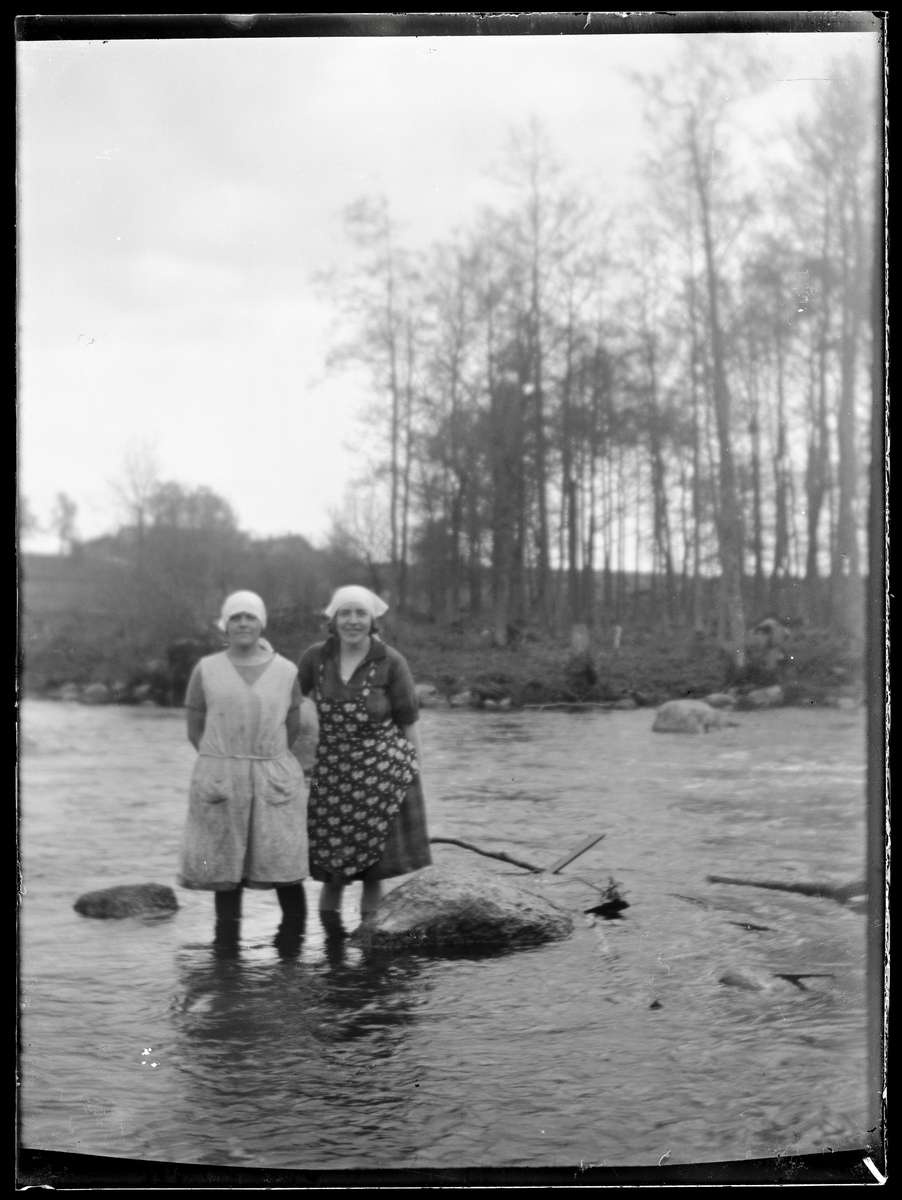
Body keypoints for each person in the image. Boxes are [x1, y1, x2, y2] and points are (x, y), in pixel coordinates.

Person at [178, 591, 308, 948]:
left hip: (272, 778)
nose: (243, 624)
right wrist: (222, 762)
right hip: (221, 777)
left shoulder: (286, 671)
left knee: (284, 868)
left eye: (250, 617)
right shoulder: (206, 669)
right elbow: (195, 728)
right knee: (225, 871)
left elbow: (292, 728)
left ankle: (292, 962)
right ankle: (227, 967)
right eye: (235, 617)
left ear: (261, 623)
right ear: (226, 624)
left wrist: (264, 759)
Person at [298, 586, 431, 922]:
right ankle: (332, 943)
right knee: (332, 876)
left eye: (360, 613)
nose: (353, 621)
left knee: (374, 875)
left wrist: (415, 773)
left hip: (381, 779)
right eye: (345, 613)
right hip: (331, 779)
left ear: (372, 620)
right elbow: (289, 702)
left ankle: (371, 939)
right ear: (333, 619)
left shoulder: (391, 661)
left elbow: (409, 723)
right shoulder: (315, 658)